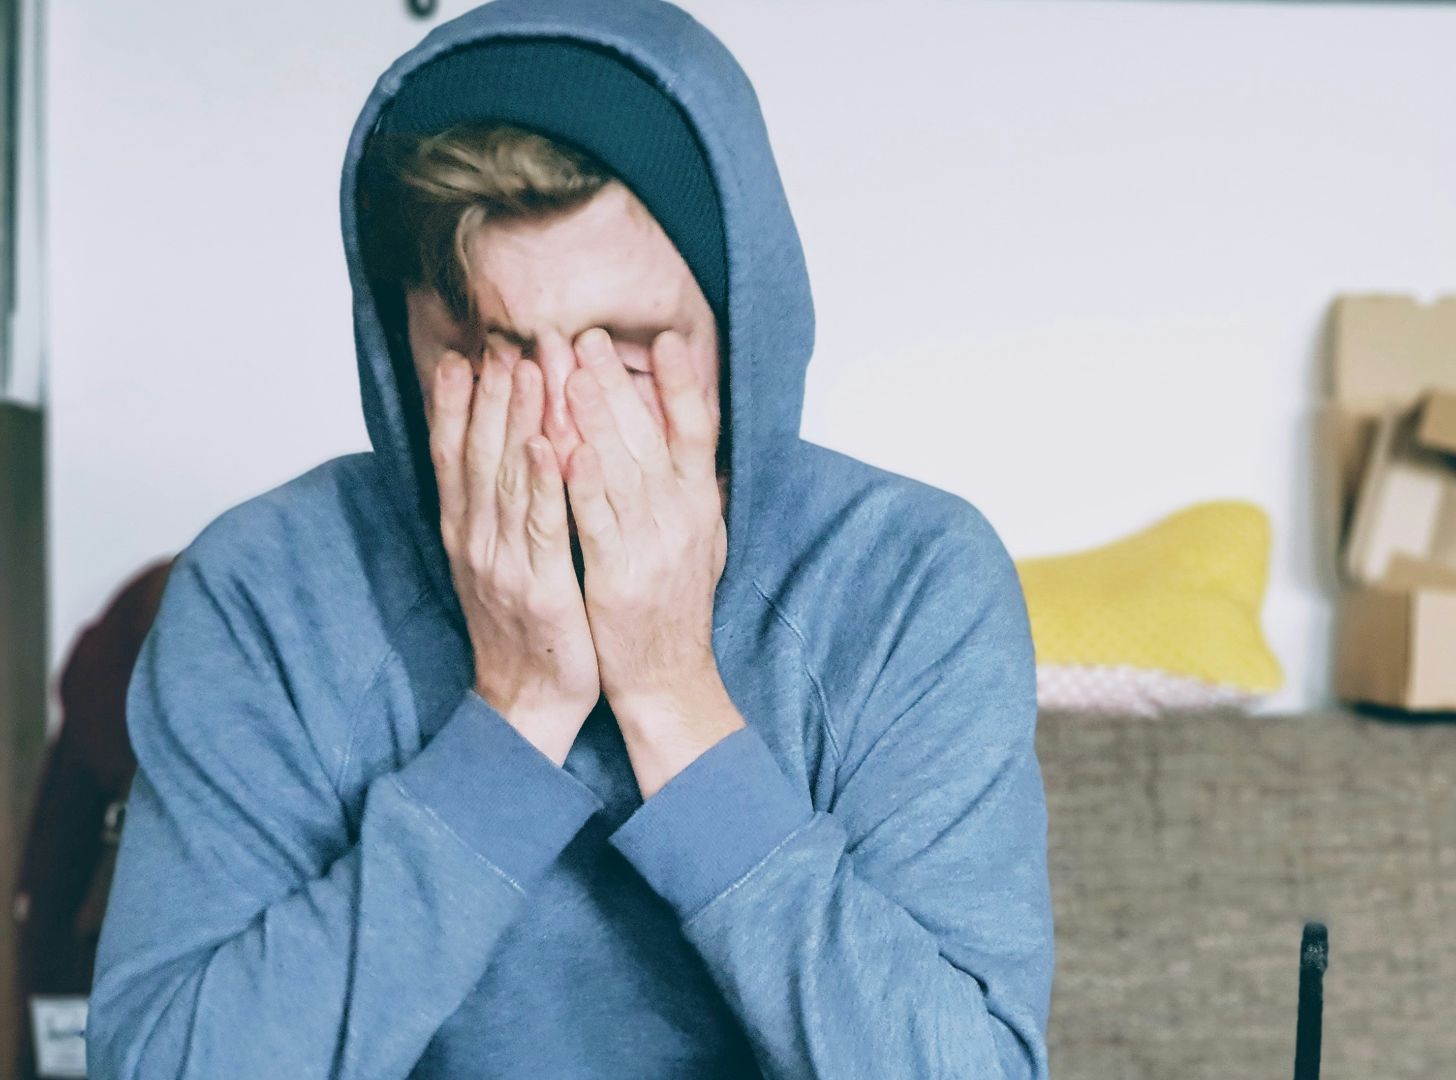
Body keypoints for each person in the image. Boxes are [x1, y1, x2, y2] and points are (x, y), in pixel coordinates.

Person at [84, 2, 1054, 1077]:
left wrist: (673, 700)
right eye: (494, 354)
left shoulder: (911, 581)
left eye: (628, 355)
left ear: (741, 329)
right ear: (402, 349)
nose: (558, 427)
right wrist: (515, 716)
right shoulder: (263, 592)